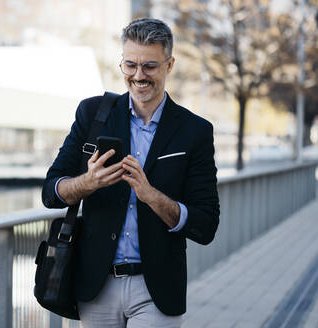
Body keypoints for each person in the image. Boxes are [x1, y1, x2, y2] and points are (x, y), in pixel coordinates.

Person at [42, 18, 220, 328]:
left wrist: (151, 196)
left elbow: (205, 225)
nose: (139, 76)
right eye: (130, 65)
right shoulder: (92, 114)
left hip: (156, 287)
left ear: (169, 64)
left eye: (150, 66)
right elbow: (51, 192)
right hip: (95, 285)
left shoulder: (195, 131)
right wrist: (88, 182)